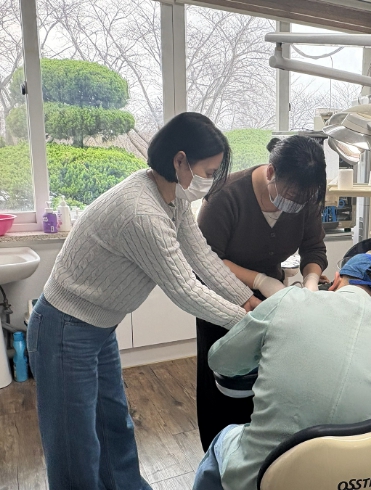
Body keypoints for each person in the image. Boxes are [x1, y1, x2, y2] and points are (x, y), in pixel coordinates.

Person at [26, 112, 260, 490]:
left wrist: (248, 299)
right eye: (208, 171)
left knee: (114, 428)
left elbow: (202, 258)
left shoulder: (171, 198)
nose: (211, 180)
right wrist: (250, 324)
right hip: (64, 329)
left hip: (99, 327)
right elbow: (185, 289)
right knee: (75, 449)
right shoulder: (141, 211)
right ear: (180, 161)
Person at [193, 254, 371, 490]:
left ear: (335, 280)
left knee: (224, 438)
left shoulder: (289, 301)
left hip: (267, 478)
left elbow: (220, 361)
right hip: (357, 481)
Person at [195, 135, 328, 451]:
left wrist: (311, 282)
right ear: (270, 173)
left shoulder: (305, 197)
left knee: (266, 382)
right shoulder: (225, 196)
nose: (296, 205)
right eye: (291, 197)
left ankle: (261, 454)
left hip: (271, 299)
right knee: (224, 383)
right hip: (220, 301)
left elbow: (313, 248)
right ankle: (218, 457)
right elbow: (206, 259)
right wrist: (259, 281)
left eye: (304, 200)